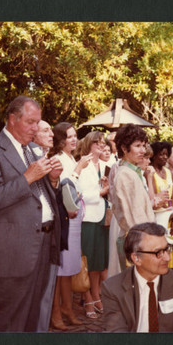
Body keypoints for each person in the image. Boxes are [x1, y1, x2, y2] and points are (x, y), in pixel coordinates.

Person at [0, 96, 63, 332]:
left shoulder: (32, 150)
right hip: (11, 252)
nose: (36, 129)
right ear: (13, 119)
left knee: (33, 316)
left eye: (38, 123)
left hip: (42, 244)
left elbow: (39, 198)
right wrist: (27, 178)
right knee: (8, 320)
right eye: (31, 122)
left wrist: (52, 181)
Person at [101, 222, 173, 332]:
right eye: (158, 252)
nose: (167, 258)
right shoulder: (113, 288)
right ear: (136, 258)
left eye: (166, 249)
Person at [47, 122, 92, 329]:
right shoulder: (57, 159)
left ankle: (67, 307)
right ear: (60, 139)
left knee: (70, 267)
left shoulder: (71, 158)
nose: (73, 139)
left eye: (75, 136)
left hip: (74, 220)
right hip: (64, 220)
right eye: (69, 136)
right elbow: (64, 190)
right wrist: (78, 168)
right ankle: (55, 311)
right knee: (60, 268)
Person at [75, 131, 109, 318]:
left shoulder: (104, 165)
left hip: (102, 217)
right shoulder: (82, 164)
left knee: (98, 262)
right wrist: (100, 193)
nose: (101, 145)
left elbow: (106, 190)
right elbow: (79, 195)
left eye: (103, 142)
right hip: (87, 218)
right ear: (89, 144)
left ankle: (96, 295)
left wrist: (105, 189)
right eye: (97, 142)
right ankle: (87, 298)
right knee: (86, 262)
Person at [112, 124, 155, 271]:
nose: (143, 150)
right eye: (137, 146)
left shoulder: (133, 172)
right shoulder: (125, 175)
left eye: (143, 145)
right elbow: (132, 216)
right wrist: (147, 243)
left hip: (139, 241)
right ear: (124, 148)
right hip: (136, 243)